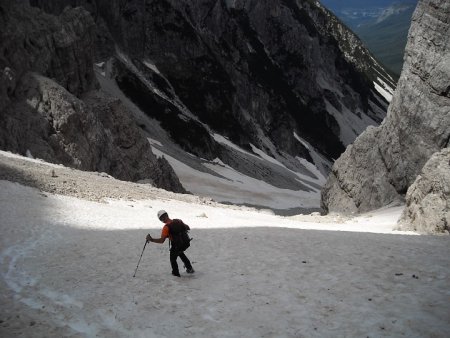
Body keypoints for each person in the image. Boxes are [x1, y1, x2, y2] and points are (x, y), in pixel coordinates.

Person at [146, 210, 195, 277]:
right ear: (167, 215)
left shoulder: (166, 227)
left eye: (160, 219)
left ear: (161, 219)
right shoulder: (178, 221)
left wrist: (151, 239)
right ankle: (189, 268)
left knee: (173, 259)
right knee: (180, 253)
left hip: (176, 245)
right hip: (184, 243)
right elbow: (187, 227)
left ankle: (176, 274)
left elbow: (161, 241)